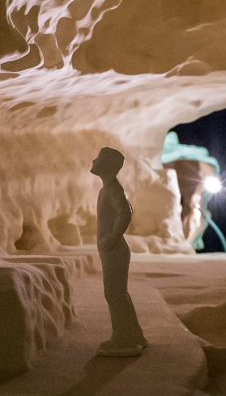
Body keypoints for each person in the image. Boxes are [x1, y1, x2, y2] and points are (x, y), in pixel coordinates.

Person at [91, 147, 147, 356]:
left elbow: (125, 213)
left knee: (114, 294)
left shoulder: (113, 190)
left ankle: (122, 339)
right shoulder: (107, 189)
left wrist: (112, 236)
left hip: (114, 249)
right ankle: (134, 335)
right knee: (119, 294)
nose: (93, 160)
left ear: (107, 165)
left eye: (98, 158)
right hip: (111, 249)